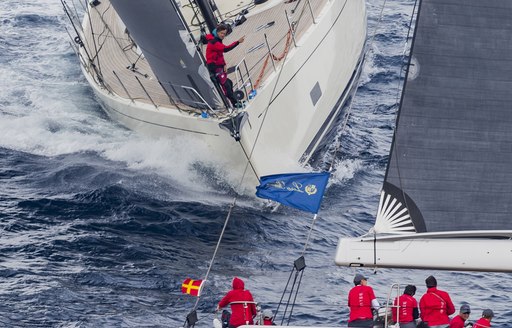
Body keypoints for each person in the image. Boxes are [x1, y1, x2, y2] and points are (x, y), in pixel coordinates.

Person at [205, 24, 245, 106]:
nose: (223, 35)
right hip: (214, 67)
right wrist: (237, 42)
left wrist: (224, 65)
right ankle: (234, 104)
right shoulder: (213, 42)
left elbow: (220, 55)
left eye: (224, 34)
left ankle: (235, 100)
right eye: (222, 33)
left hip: (219, 66)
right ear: (217, 32)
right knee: (226, 85)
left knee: (229, 82)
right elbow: (225, 49)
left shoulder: (217, 40)